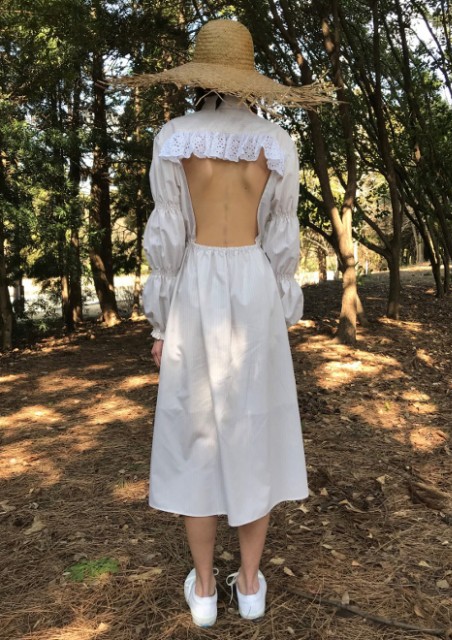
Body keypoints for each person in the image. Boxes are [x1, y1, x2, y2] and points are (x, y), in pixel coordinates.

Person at [112, 18, 333, 628]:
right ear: (248, 78)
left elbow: (168, 235)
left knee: (196, 434)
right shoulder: (276, 143)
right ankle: (252, 584)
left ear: (199, 76)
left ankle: (206, 590)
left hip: (196, 287)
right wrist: (282, 308)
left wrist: (161, 326)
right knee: (254, 431)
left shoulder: (174, 137)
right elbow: (282, 237)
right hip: (255, 287)